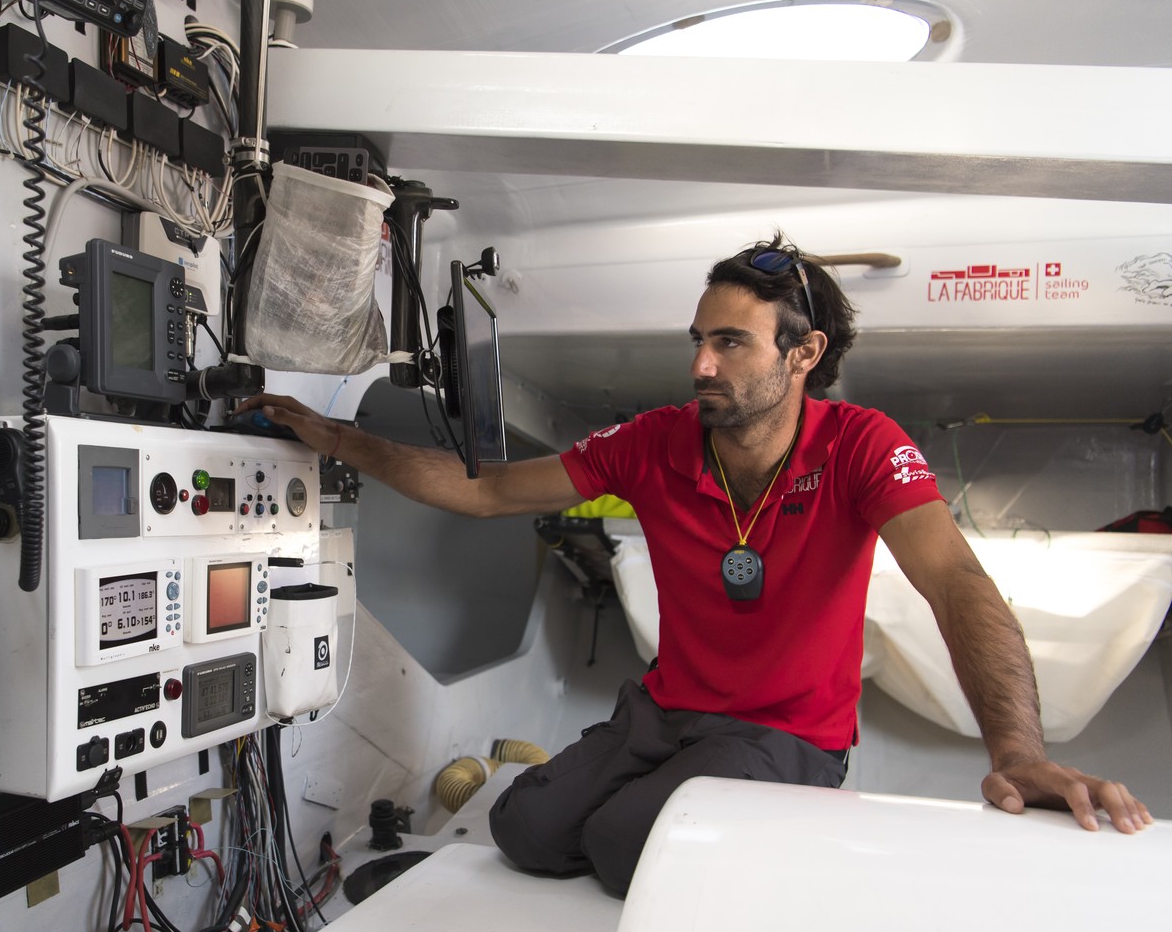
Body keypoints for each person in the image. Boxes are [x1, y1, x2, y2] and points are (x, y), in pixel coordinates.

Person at [236, 234, 1152, 894]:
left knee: (626, 845)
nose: (701, 364)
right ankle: (645, 803)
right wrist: (343, 440)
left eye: (730, 344)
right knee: (524, 831)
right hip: (667, 712)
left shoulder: (861, 446)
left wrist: (1020, 754)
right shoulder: (656, 443)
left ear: (804, 355)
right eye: (698, 341)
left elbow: (954, 582)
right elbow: (486, 491)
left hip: (786, 737)